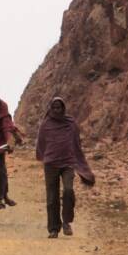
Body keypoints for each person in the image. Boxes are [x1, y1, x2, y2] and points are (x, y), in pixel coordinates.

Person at [36, 96, 95, 238]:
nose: (57, 110)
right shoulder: (46, 124)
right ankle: (53, 229)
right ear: (51, 108)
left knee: (68, 191)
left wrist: (78, 160)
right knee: (52, 198)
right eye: (54, 108)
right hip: (51, 164)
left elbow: (76, 142)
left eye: (59, 107)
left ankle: (66, 221)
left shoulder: (70, 123)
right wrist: (43, 156)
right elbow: (41, 143)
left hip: (68, 163)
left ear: (63, 108)